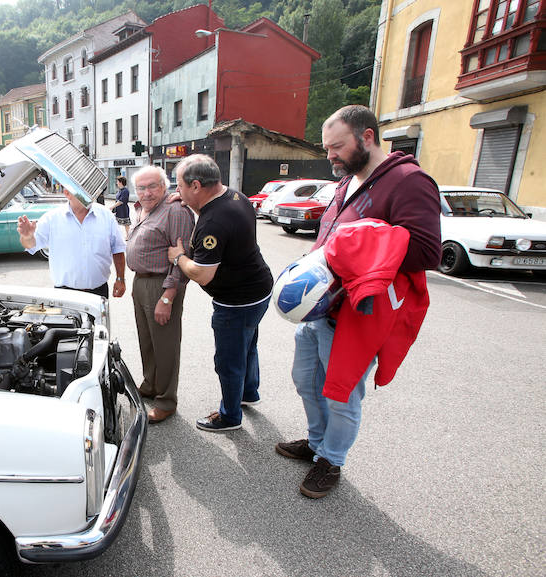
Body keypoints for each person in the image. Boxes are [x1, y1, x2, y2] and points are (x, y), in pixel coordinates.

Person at [276, 105, 441, 499]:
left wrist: (357, 248)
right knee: (306, 382)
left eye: (336, 146)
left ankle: (331, 460)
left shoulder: (408, 181)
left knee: (342, 392)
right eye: (326, 147)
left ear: (367, 136)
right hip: (319, 306)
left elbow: (426, 251)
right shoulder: (346, 181)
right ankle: (317, 444)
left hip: (355, 313)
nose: (329, 155)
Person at [168, 154, 273, 433]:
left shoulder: (214, 222)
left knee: (228, 361)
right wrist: (190, 203)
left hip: (237, 301)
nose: (176, 193)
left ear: (196, 185)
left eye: (179, 187)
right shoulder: (234, 196)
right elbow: (217, 217)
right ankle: (249, 392)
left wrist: (178, 256)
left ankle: (230, 416)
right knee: (248, 346)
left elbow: (202, 273)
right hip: (259, 288)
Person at [126, 166, 195, 424]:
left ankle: (166, 400)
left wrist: (167, 297)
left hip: (161, 285)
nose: (147, 192)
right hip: (141, 282)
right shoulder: (140, 209)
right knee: (147, 339)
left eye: (152, 186)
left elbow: (182, 256)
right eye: (141, 188)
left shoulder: (175, 210)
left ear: (165, 186)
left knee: (165, 344)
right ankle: (151, 383)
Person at [17, 187, 126, 299]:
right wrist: (27, 236)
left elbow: (118, 249)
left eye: (89, 190)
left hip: (99, 292)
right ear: (67, 193)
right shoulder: (52, 218)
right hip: (64, 295)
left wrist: (120, 278)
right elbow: (30, 245)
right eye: (81, 191)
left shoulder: (106, 216)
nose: (88, 195)